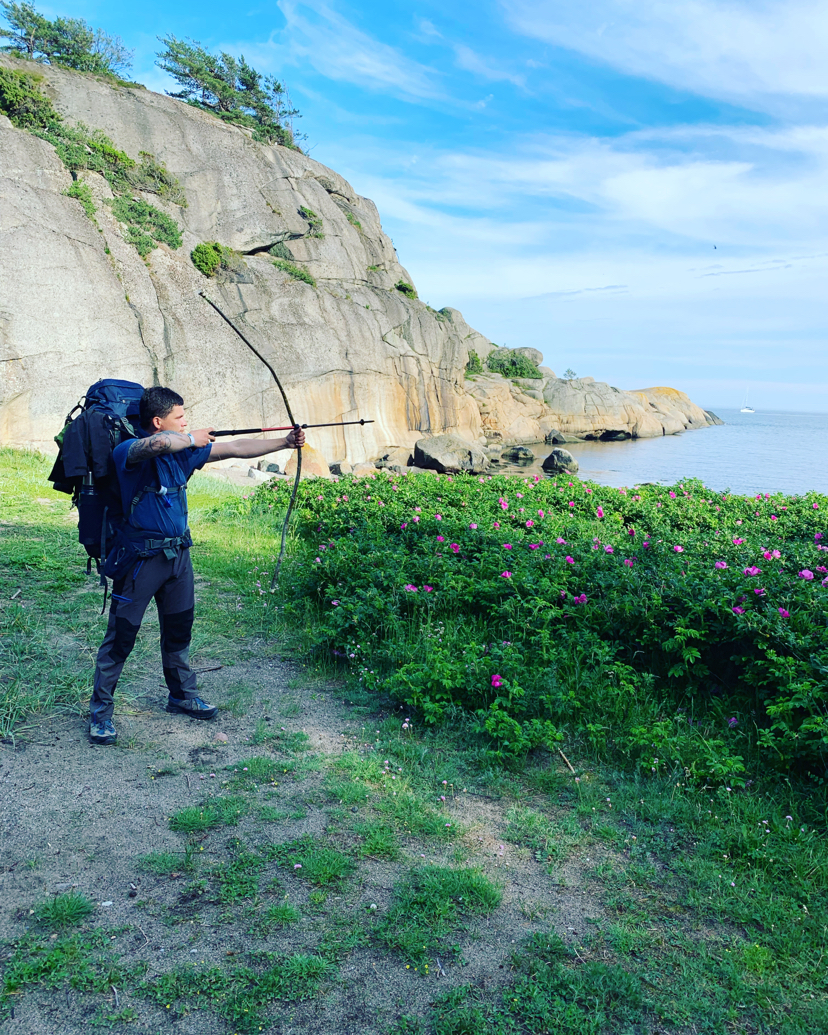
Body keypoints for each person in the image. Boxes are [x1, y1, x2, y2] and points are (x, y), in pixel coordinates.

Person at [88, 386, 305, 745]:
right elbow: (154, 446)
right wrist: (189, 437)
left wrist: (284, 443)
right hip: (140, 562)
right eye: (179, 417)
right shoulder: (128, 452)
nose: (186, 421)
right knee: (121, 638)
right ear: (158, 422)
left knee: (178, 631)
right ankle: (100, 714)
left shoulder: (183, 454)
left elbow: (234, 448)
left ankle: (182, 695)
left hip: (178, 560)